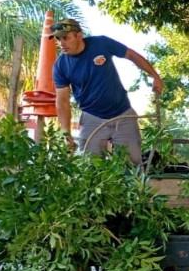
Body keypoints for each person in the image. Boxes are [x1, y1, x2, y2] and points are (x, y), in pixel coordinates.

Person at [51, 18, 165, 165]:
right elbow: (62, 101)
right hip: (92, 119)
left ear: (79, 35)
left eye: (66, 38)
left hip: (123, 114)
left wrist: (155, 76)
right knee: (89, 169)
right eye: (58, 39)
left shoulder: (101, 43)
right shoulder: (60, 66)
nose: (61, 44)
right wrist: (66, 133)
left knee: (131, 169)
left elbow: (131, 55)